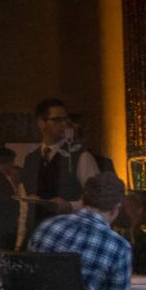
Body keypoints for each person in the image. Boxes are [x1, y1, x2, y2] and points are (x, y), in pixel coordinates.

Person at [22, 98, 100, 230]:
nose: (64, 124)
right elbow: (25, 208)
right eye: (57, 120)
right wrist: (20, 243)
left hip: (69, 234)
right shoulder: (31, 159)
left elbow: (98, 199)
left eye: (66, 119)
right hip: (37, 235)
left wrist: (70, 206)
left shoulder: (81, 156)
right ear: (41, 123)